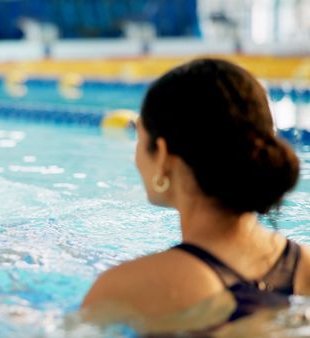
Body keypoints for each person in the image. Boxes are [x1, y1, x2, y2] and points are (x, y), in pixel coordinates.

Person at [81, 59, 310, 328]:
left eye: (140, 140)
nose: (135, 159)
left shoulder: (127, 288)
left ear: (163, 155)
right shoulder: (304, 266)